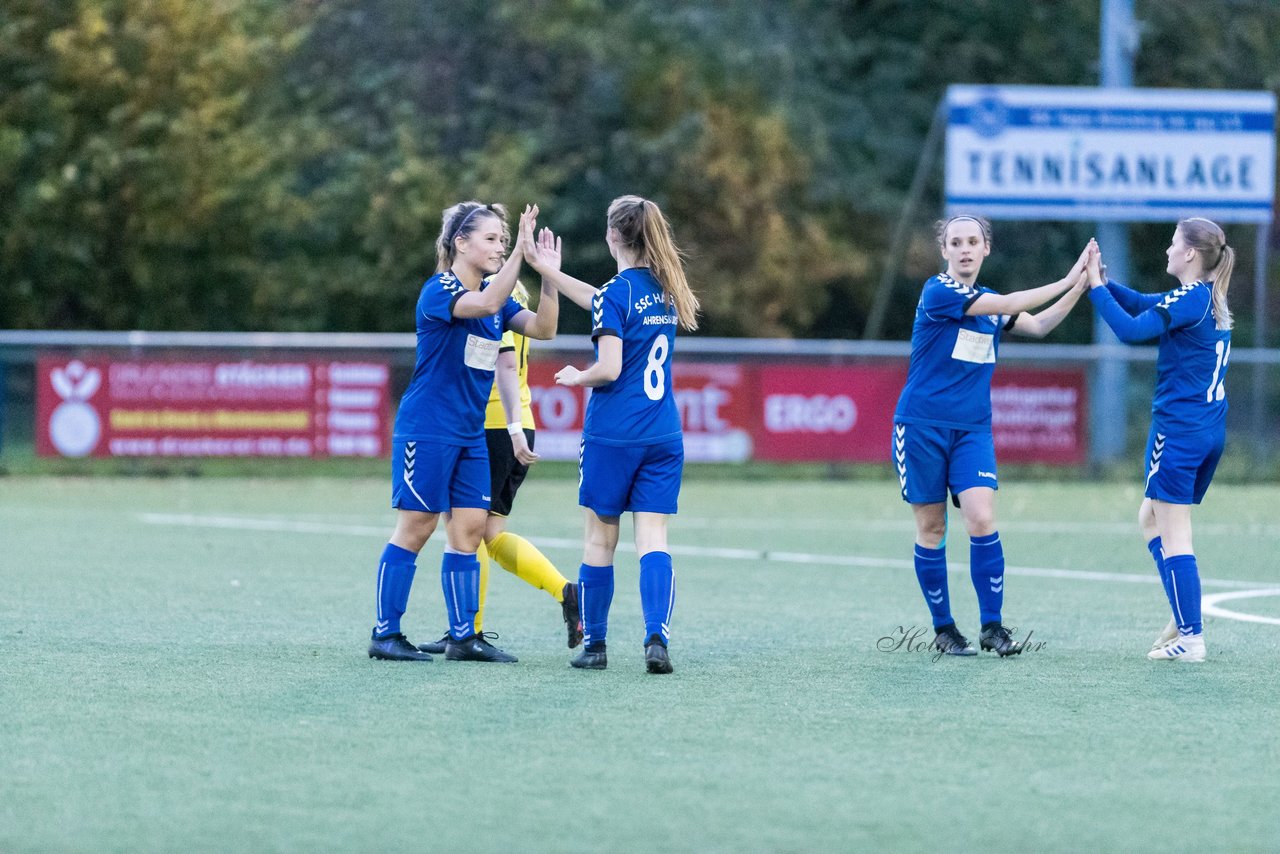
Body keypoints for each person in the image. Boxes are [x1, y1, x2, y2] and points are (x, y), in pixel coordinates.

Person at [367, 201, 560, 662]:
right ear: (461, 243)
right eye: (493, 239)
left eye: (504, 241)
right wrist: (523, 256)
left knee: (470, 531)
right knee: (416, 527)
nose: (500, 247)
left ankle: (463, 637)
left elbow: (545, 329)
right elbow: (488, 303)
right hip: (428, 429)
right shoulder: (440, 290)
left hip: (471, 433)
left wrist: (549, 275)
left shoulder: (498, 294)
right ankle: (385, 634)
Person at [892, 214, 1091, 657]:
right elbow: (1012, 302)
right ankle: (944, 629)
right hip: (921, 426)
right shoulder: (939, 291)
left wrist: (1080, 287)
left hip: (972, 431)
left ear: (986, 249)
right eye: (956, 242)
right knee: (932, 526)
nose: (964, 248)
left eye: (972, 241)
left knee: (981, 519)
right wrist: (1067, 276)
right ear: (944, 251)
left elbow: (1037, 325)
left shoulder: (989, 306)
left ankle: (993, 628)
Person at [521, 195, 698, 674]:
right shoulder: (665, 288)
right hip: (663, 434)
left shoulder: (616, 293)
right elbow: (600, 299)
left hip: (613, 435)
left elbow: (610, 367)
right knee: (654, 540)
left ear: (613, 235)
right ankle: (657, 638)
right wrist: (549, 273)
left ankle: (595, 646)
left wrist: (580, 377)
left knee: (600, 541)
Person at [1087, 218, 1234, 663]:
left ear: (1190, 254)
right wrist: (1105, 281)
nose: (1167, 250)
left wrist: (1094, 288)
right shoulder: (1203, 296)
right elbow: (1141, 304)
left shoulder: (1192, 298)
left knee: (1175, 534)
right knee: (1149, 518)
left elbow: (1130, 331)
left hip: (1181, 432)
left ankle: (1191, 637)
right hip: (1206, 430)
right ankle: (1181, 612)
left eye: (1174, 243)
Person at [416, 278, 584, 657]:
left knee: (466, 529)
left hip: (491, 421)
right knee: (489, 534)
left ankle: (467, 631)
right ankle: (567, 593)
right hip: (515, 419)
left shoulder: (488, 287)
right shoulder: (515, 286)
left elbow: (503, 361)